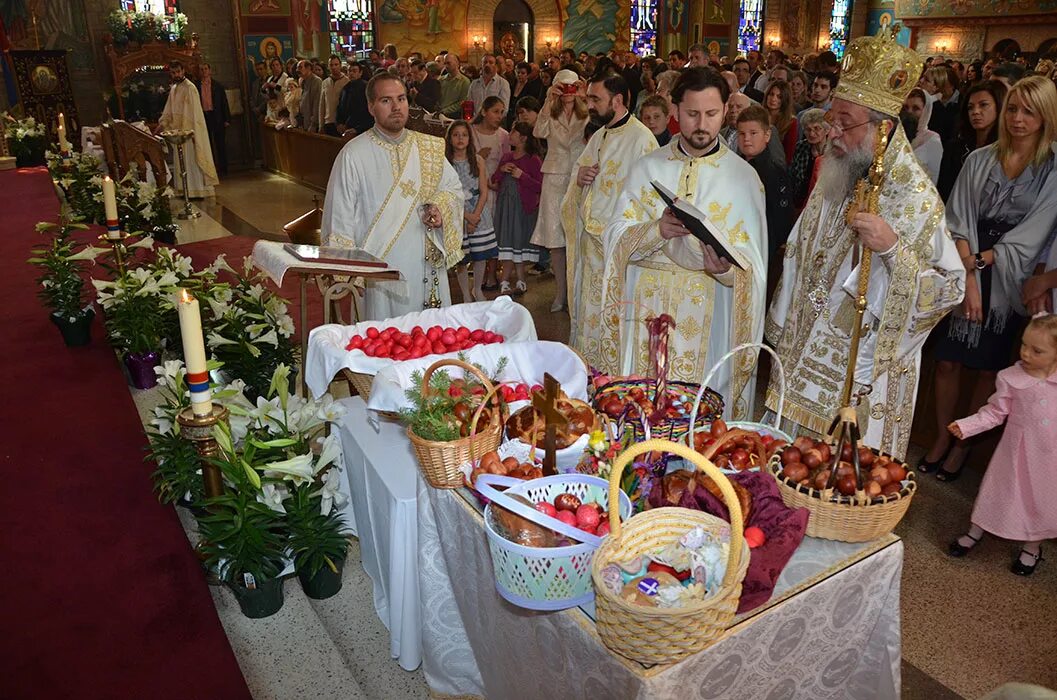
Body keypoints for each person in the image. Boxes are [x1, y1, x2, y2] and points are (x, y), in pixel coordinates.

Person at [765, 28, 965, 459]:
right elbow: (800, 251)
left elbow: (950, 287)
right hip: (804, 352)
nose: (832, 131)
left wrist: (893, 248)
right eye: (830, 117)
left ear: (884, 128)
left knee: (845, 487)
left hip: (861, 375)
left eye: (845, 122)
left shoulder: (915, 199)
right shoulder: (837, 171)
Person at [598, 68, 767, 416]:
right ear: (675, 111)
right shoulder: (647, 168)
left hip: (709, 311)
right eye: (692, 114)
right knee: (642, 413)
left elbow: (755, 269)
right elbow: (612, 238)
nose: (701, 124)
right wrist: (654, 231)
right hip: (647, 310)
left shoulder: (744, 179)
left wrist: (726, 272)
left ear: (726, 111)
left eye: (711, 114)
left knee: (697, 419)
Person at [920, 76, 1057, 479]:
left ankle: (964, 445)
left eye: (1030, 111)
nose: (1018, 119)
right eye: (1013, 108)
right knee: (947, 360)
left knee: (986, 368)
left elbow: (1036, 230)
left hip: (1011, 272)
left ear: (1046, 116)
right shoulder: (979, 159)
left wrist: (980, 267)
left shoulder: (1052, 168)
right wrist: (969, 276)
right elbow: (956, 219)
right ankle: (944, 435)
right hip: (966, 263)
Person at [320, 73, 464, 318]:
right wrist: (351, 274)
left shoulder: (428, 147)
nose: (397, 107)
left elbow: (454, 190)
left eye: (402, 99)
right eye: (386, 100)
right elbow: (339, 216)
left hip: (424, 264)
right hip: (380, 272)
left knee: (432, 340)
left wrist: (440, 209)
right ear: (371, 107)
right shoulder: (353, 154)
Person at [946, 314, 1057, 576]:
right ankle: (975, 531)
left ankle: (1032, 547)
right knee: (999, 492)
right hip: (1015, 454)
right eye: (1024, 345)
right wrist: (968, 425)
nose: (1026, 354)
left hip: (1050, 458)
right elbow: (995, 412)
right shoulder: (1011, 378)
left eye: (1037, 350)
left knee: (1041, 500)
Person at [561, 73, 657, 369]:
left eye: (595, 99)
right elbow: (579, 173)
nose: (589, 105)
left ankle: (615, 373)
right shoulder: (600, 135)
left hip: (618, 251)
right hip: (592, 247)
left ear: (617, 100)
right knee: (591, 310)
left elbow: (649, 199)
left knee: (615, 313)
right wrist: (579, 178)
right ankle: (588, 369)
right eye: (588, 98)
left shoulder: (642, 140)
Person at [530, 71, 589, 313]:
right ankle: (560, 294)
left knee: (578, 237)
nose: (568, 91)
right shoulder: (550, 111)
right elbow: (538, 132)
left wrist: (586, 98)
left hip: (578, 175)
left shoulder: (586, 111)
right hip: (554, 176)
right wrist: (547, 101)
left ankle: (578, 293)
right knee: (555, 240)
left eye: (571, 86)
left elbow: (596, 130)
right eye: (562, 86)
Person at [445, 120, 496, 302]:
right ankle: (466, 293)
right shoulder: (446, 163)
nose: (460, 139)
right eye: (456, 135)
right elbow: (447, 195)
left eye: (464, 135)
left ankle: (477, 289)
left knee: (480, 255)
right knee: (462, 258)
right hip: (457, 212)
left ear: (469, 139)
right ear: (450, 138)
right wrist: (466, 217)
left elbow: (484, 191)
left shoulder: (478, 160)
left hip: (478, 211)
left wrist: (475, 216)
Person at [737, 104, 794, 261]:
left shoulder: (776, 173)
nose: (746, 138)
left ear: (767, 135)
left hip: (761, 249)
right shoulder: (732, 167)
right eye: (741, 133)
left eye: (753, 133)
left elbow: (781, 221)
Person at [492, 122, 544, 295]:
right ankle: (508, 279)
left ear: (523, 137)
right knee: (507, 241)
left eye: (514, 131)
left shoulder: (533, 160)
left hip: (521, 209)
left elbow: (540, 186)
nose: (510, 133)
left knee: (518, 242)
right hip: (506, 208)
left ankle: (516, 279)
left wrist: (522, 176)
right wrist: (501, 170)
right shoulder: (507, 156)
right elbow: (494, 180)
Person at [937, 80, 1007, 201]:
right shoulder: (954, 148)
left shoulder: (1005, 150)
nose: (975, 112)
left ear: (999, 107)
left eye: (983, 105)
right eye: (970, 107)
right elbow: (943, 192)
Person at [158, 60, 218, 198]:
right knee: (182, 161)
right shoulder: (174, 88)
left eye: (178, 71)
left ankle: (197, 190)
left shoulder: (190, 88)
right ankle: (184, 190)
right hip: (178, 132)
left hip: (189, 132)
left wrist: (184, 129)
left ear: (183, 71)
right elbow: (169, 109)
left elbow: (193, 112)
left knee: (192, 160)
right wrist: (163, 122)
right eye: (173, 72)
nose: (176, 74)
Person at [472, 96, 510, 291]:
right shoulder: (472, 132)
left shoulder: (503, 135)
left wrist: (497, 179)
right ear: (484, 111)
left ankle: (492, 272)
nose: (499, 116)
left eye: (502, 112)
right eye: (495, 111)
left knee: (494, 229)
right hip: (475, 187)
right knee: (479, 230)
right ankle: (478, 270)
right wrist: (478, 158)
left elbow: (508, 161)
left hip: (495, 188)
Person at [901, 88, 943, 184]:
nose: (909, 112)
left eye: (916, 108)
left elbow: (934, 179)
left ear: (926, 111)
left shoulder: (932, 140)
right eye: (906, 108)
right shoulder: (896, 134)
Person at [789, 108, 827, 209]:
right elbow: (792, 175)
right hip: (798, 200)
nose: (812, 133)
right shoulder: (801, 147)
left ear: (826, 130)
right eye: (808, 129)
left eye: (817, 128)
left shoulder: (832, 152)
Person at [197, 63, 230, 176]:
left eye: (205, 69)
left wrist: (226, 119)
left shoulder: (217, 86)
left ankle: (223, 168)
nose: (204, 71)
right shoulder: (196, 86)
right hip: (204, 116)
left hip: (217, 116)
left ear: (209, 71)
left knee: (220, 143)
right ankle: (211, 168)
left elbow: (224, 103)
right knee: (207, 145)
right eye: (201, 69)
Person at [764, 79, 798, 164]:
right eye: (771, 94)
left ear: (785, 100)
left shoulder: (791, 122)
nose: (773, 99)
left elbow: (788, 156)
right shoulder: (759, 115)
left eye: (779, 97)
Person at [336, 63, 373, 136]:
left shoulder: (366, 88)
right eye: (349, 71)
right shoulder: (345, 88)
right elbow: (340, 108)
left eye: (354, 71)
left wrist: (358, 129)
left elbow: (368, 112)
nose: (351, 73)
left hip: (361, 129)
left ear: (360, 73)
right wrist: (339, 123)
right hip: (346, 128)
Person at [507, 61, 543, 127]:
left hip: (522, 117)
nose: (519, 75)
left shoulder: (531, 88)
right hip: (509, 116)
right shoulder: (512, 84)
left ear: (528, 74)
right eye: (518, 72)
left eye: (523, 73)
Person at [320, 55, 349, 136]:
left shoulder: (347, 81)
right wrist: (321, 124)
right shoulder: (325, 82)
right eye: (331, 65)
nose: (334, 67)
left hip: (341, 123)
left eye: (336, 64)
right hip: (328, 121)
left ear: (340, 65)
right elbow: (322, 105)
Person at [439, 53, 471, 118]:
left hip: (454, 116)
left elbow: (462, 102)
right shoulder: (441, 79)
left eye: (448, 63)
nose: (446, 66)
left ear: (457, 63)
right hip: (440, 114)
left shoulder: (464, 81)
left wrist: (445, 110)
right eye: (445, 63)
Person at [296, 60, 322, 132]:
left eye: (300, 67)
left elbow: (317, 104)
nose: (297, 70)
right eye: (297, 68)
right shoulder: (303, 81)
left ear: (308, 68)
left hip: (312, 123)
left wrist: (313, 123)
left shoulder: (316, 81)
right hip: (304, 121)